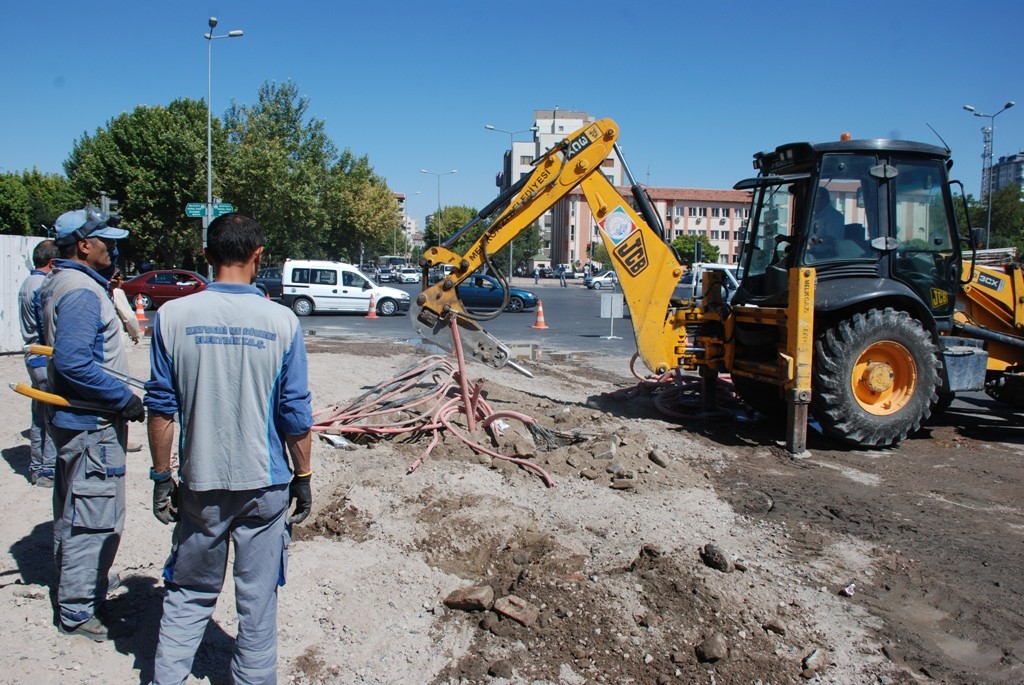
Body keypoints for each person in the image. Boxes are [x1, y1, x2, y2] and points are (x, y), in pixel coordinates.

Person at [144, 213, 313, 684]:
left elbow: (161, 410)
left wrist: (161, 477)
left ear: (206, 256)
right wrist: (303, 477)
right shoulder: (282, 321)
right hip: (265, 484)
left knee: (189, 592)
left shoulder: (171, 317)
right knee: (257, 600)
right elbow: (295, 413)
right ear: (259, 256)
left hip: (201, 484)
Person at [38, 206, 143, 641]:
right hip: (91, 424)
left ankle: (83, 584)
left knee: (73, 508)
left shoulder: (61, 282)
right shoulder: (81, 291)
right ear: (84, 245)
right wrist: (123, 398)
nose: (113, 251)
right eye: (106, 243)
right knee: (94, 517)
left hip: (76, 420)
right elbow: (74, 363)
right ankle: (79, 609)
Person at [19, 239, 59, 487]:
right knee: (52, 417)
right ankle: (48, 471)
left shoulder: (27, 282)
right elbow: (46, 327)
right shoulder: (43, 286)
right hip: (43, 357)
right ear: (52, 262)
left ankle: (36, 467)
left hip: (31, 358)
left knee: (38, 415)